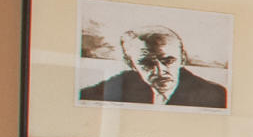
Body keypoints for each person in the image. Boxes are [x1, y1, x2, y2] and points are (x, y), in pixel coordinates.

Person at [77, 26, 226, 108]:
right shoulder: (122, 83)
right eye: (147, 63)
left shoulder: (214, 95)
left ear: (183, 59)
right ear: (131, 64)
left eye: (168, 61)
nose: (160, 71)